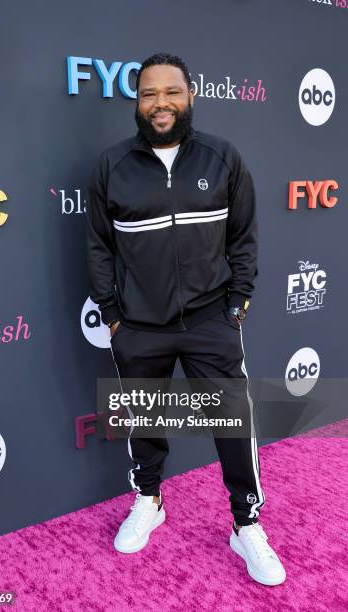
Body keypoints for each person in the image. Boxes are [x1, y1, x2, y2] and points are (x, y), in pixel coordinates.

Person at [86, 52, 286, 586]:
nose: (160, 104)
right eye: (149, 94)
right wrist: (110, 312)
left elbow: (244, 238)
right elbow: (98, 247)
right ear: (137, 102)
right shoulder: (112, 165)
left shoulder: (222, 157)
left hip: (210, 319)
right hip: (138, 323)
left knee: (231, 423)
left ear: (190, 95)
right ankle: (149, 500)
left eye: (170, 92)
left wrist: (237, 304)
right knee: (145, 421)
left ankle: (246, 524)